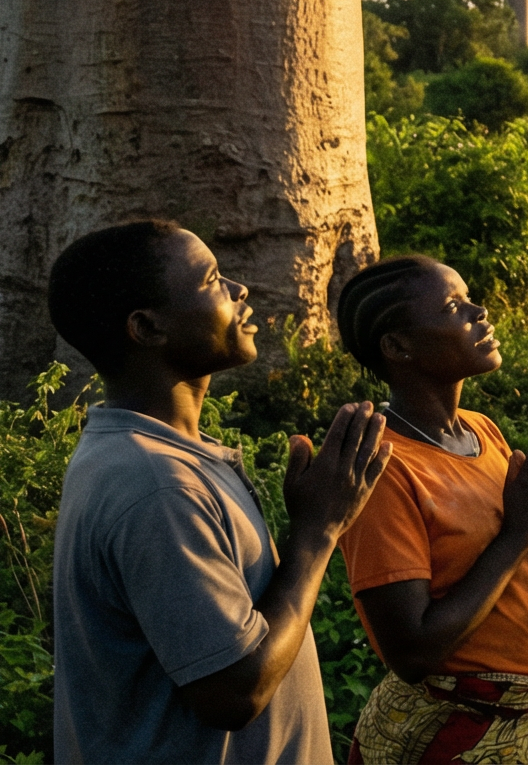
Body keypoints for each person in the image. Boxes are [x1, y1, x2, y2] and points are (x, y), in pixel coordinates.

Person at [49, 220, 391, 765]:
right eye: (212, 280)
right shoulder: (156, 483)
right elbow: (235, 690)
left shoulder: (156, 454)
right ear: (147, 327)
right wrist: (317, 533)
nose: (240, 290)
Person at [332, 257, 528, 765]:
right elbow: (412, 653)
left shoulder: (480, 431)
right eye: (454, 306)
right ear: (398, 347)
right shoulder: (384, 465)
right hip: (451, 733)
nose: (479, 310)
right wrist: (520, 532)